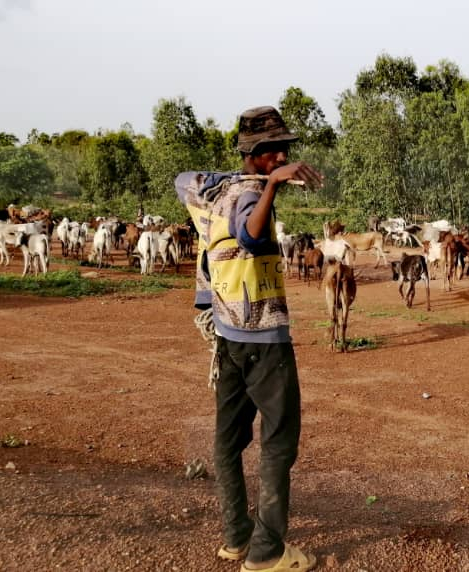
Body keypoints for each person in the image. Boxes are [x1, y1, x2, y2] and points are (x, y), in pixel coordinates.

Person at [176, 106, 324, 572]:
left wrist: (250, 177)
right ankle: (267, 552)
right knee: (280, 439)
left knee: (228, 439)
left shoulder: (215, 190)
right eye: (272, 150)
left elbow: (183, 177)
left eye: (284, 150)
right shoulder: (252, 197)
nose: (281, 154)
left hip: (225, 333)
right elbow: (250, 233)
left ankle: (236, 536)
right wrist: (272, 185)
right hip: (262, 336)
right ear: (254, 154)